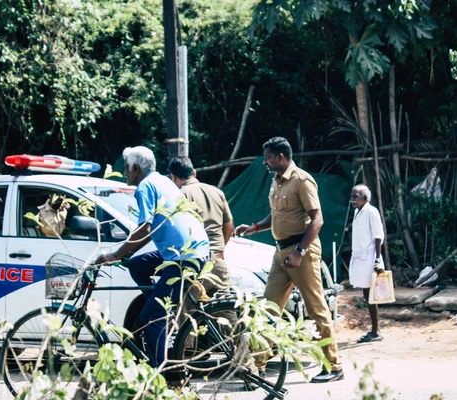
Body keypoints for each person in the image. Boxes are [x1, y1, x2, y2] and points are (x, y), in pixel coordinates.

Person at [234, 136, 343, 383]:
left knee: (316, 309)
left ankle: (334, 366)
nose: (265, 162)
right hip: (281, 253)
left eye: (268, 157)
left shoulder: (301, 180)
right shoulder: (276, 181)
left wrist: (300, 252)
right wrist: (253, 228)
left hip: (300, 253)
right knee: (267, 309)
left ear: (281, 157)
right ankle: (258, 368)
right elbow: (277, 215)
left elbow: (317, 219)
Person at [95, 146, 209, 368]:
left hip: (184, 256)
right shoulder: (162, 181)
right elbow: (149, 231)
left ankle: (159, 375)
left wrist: (115, 254)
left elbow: (145, 229)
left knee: (150, 318)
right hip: (190, 249)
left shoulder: (145, 187)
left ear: (136, 168)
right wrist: (126, 254)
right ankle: (163, 309)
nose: (125, 173)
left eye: (126, 168)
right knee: (137, 265)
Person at [169, 156, 233, 296]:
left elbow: (177, 231)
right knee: (225, 311)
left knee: (190, 314)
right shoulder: (217, 192)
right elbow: (228, 226)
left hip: (196, 263)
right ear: (194, 173)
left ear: (173, 178)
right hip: (218, 261)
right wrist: (218, 250)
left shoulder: (180, 195)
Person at [349, 184, 386, 343]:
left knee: (370, 294)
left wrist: (378, 259)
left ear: (365, 198)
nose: (352, 200)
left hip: (370, 257)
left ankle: (376, 331)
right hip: (359, 257)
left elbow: (378, 236)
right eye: (352, 196)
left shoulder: (372, 212)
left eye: (355, 197)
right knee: (366, 293)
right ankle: (374, 330)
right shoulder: (357, 212)